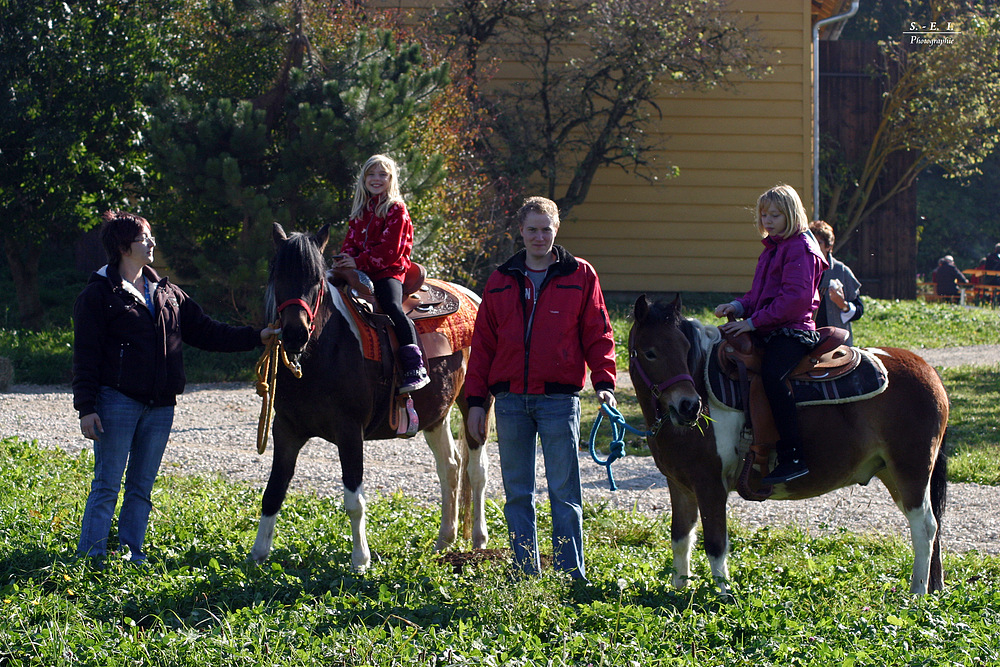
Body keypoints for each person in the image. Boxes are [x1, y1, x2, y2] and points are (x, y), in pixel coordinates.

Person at [73, 210, 279, 565]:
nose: (151, 243)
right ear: (124, 247)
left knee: (141, 487)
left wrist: (256, 337)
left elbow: (208, 331)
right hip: (116, 401)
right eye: (144, 238)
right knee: (107, 484)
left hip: (161, 406)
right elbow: (85, 355)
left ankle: (131, 553)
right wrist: (86, 407)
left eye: (150, 236)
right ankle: (91, 557)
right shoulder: (98, 294)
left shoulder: (168, 293)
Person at [466, 196, 617, 581]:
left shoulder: (580, 275)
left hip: (558, 400)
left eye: (546, 229)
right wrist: (476, 403)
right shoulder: (501, 279)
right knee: (518, 493)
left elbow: (598, 333)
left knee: (564, 493)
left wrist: (604, 382)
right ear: (521, 231)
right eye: (532, 229)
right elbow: (482, 345)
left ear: (557, 230)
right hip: (512, 401)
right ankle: (523, 573)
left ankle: (571, 573)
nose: (539, 236)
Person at [714, 184, 827, 485]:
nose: (767, 220)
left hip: (792, 330)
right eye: (764, 214)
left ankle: (793, 455)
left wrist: (751, 323)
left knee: (774, 376)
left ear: (791, 214)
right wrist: (738, 305)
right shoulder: (773, 249)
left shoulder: (801, 248)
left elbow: (794, 300)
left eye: (775, 215)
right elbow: (760, 294)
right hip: (769, 326)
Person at [333, 154, 428, 393]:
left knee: (391, 305)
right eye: (371, 174)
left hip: (388, 270)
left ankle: (414, 365)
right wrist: (345, 259)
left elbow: (390, 250)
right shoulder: (360, 211)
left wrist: (357, 261)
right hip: (360, 268)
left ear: (391, 179)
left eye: (382, 174)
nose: (376, 179)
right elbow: (351, 242)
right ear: (364, 179)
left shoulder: (396, 209)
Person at [808, 220, 863, 346]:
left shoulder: (841, 271)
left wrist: (843, 304)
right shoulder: (801, 271)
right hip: (808, 340)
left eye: (819, 243)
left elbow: (859, 310)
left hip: (837, 344)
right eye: (811, 243)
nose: (814, 246)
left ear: (828, 247)